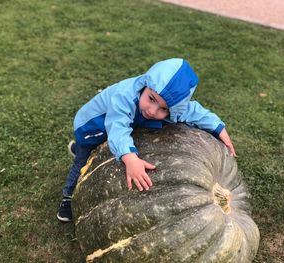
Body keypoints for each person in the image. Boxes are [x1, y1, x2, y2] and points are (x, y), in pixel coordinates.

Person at [56, 58, 236, 222]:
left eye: (163, 109)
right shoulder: (124, 97)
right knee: (82, 161)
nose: (152, 110)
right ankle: (68, 198)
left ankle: (84, 153)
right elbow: (117, 129)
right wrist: (130, 158)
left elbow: (194, 112)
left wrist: (219, 129)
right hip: (93, 127)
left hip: (122, 124)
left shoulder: (160, 103)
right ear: (146, 85)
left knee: (111, 146)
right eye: (151, 99)